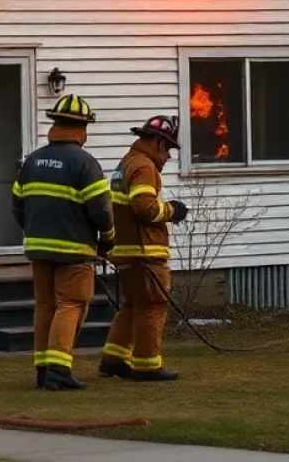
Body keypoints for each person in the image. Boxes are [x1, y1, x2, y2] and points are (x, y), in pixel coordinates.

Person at [12, 93, 115, 391]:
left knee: (45, 306)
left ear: (55, 124)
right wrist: (108, 239)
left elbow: (17, 205)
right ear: (82, 128)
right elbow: (101, 210)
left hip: (39, 248)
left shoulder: (32, 161)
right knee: (71, 304)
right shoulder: (85, 164)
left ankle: (43, 370)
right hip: (75, 250)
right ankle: (59, 369)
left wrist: (35, 231)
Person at [99, 115, 188, 382]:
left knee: (132, 305)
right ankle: (148, 365)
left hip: (127, 250)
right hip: (144, 251)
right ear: (158, 142)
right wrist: (173, 211)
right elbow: (145, 207)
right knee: (152, 305)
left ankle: (114, 359)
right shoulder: (144, 166)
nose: (169, 156)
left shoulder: (126, 163)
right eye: (168, 148)